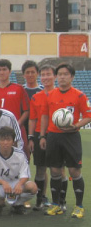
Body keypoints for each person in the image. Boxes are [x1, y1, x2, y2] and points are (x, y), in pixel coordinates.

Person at [40, 63, 90, 218]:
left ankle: (79, 206)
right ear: (57, 77)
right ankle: (56, 205)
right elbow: (45, 116)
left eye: (65, 74)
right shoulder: (50, 95)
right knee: (55, 171)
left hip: (71, 137)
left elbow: (88, 115)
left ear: (72, 77)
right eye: (59, 74)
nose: (62, 77)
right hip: (53, 136)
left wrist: (76, 125)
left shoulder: (79, 95)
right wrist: (43, 136)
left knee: (74, 171)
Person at [0, 127, 38, 214]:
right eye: (3, 140)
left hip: (15, 185)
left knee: (32, 187)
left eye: (8, 140)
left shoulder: (20, 154)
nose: (5, 143)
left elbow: (25, 175)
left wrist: (19, 184)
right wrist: (3, 183)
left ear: (13, 141)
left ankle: (17, 204)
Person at [28, 65, 56, 210]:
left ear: (55, 76)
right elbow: (32, 119)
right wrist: (31, 137)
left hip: (56, 134)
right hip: (39, 135)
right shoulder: (36, 96)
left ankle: (58, 201)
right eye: (43, 75)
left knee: (57, 169)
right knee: (40, 168)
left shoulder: (59, 94)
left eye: (48, 74)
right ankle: (39, 199)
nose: (45, 77)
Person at [0, 59, 30, 156]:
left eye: (4, 69)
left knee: (20, 157)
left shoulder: (18, 89)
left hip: (15, 129)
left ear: (10, 71)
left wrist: (17, 124)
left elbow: (26, 110)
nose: (2, 72)